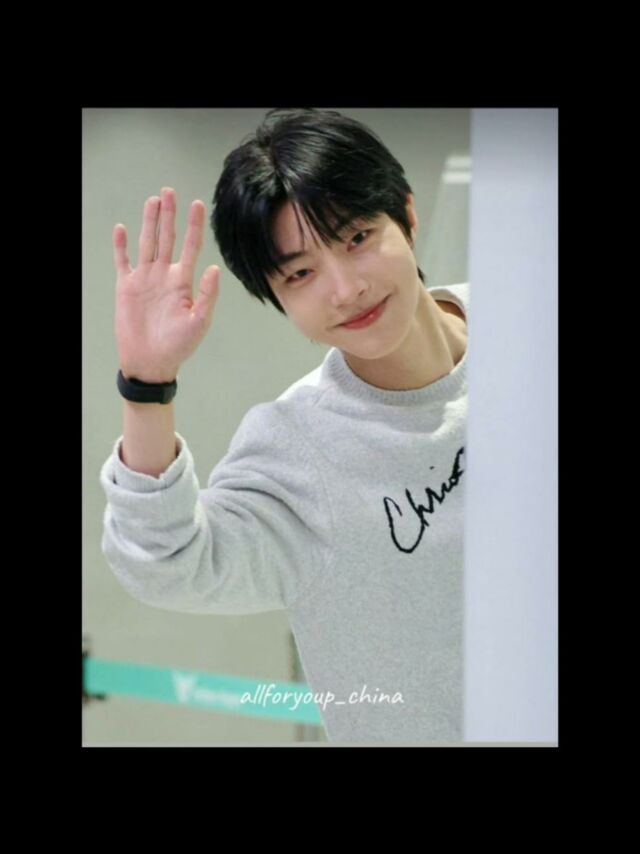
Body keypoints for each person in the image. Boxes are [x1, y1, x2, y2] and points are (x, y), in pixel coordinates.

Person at [100, 107, 469, 744]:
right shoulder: (299, 450)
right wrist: (146, 385)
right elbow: (166, 562)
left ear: (407, 218)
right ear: (276, 297)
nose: (345, 289)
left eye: (357, 237)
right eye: (300, 273)